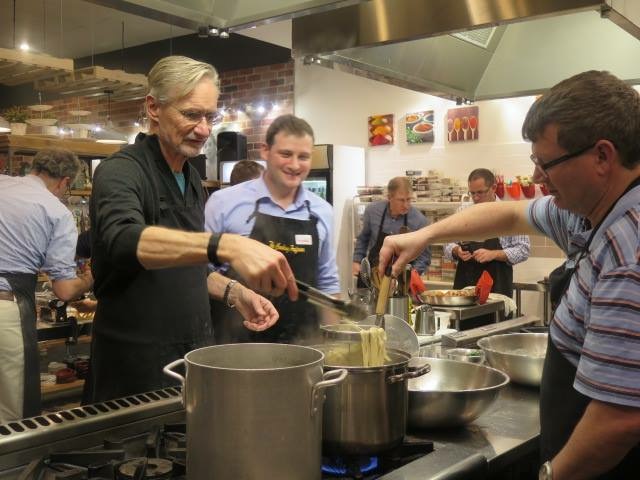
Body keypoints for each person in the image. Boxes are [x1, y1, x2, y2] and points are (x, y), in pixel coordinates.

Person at [378, 70, 640, 479]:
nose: (537, 178)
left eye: (546, 163)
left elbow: (619, 417)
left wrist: (551, 476)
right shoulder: (588, 213)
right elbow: (510, 212)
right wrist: (424, 235)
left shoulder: (629, 249)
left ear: (602, 157)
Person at [85, 56, 297, 403]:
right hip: (133, 372)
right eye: (190, 114)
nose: (203, 129)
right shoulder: (121, 171)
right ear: (153, 108)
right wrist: (224, 245)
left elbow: (185, 269)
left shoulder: (191, 180)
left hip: (190, 360)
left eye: (209, 117)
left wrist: (234, 292)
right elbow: (124, 240)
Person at [205, 114, 340, 343]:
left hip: (303, 346)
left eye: (304, 157)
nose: (295, 165)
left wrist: (336, 346)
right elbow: (201, 275)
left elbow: (327, 284)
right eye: (286, 154)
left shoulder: (322, 211)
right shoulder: (224, 203)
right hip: (235, 346)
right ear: (265, 151)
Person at [0, 149, 93, 422]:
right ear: (65, 182)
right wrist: (89, 278)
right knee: (10, 415)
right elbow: (63, 290)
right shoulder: (56, 212)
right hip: (5, 306)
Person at [443, 168, 530, 298]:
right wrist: (456, 250)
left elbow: (523, 249)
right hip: (465, 286)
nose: (476, 198)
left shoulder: (509, 213)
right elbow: (447, 243)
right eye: (472, 193)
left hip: (497, 287)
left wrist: (494, 254)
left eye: (480, 192)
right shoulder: (463, 211)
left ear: (493, 187)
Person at [352, 176, 431, 286]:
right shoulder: (372, 211)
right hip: (373, 274)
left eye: (409, 199)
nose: (406, 205)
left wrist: (409, 277)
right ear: (389, 197)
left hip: (402, 279)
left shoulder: (419, 220)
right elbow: (363, 239)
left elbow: (424, 257)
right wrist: (357, 260)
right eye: (401, 200)